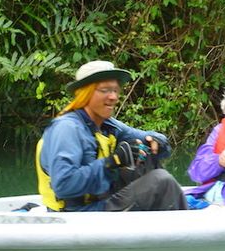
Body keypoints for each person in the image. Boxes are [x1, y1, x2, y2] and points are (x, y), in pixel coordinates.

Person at [36, 60, 185, 211]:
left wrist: (157, 142)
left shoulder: (108, 125)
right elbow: (63, 185)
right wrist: (112, 162)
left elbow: (152, 140)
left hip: (101, 199)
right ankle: (182, 230)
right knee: (161, 182)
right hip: (76, 214)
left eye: (115, 90)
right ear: (85, 94)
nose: (113, 97)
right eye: (105, 90)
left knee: (148, 160)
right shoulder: (67, 128)